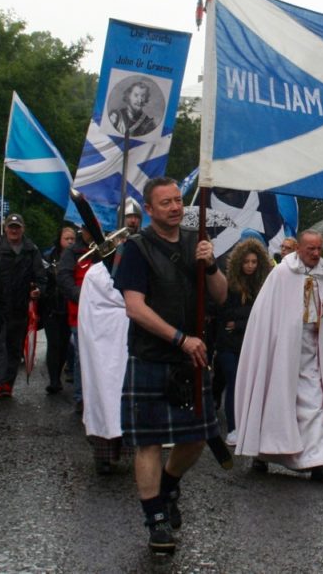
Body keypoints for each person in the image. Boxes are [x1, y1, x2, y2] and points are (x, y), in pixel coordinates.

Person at [113, 176, 228, 554]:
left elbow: (221, 295)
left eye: (178, 200)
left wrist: (211, 266)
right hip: (151, 356)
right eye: (166, 202)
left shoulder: (198, 243)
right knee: (148, 442)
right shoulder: (136, 249)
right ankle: (156, 519)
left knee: (195, 437)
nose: (176, 207)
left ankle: (168, 484)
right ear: (149, 209)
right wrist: (180, 338)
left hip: (190, 359)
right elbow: (134, 307)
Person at [234, 229, 323, 482]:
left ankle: (317, 461)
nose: (316, 253)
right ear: (299, 249)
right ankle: (262, 453)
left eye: (319, 248)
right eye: (311, 249)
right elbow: (265, 314)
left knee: (315, 402)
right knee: (276, 399)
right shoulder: (282, 273)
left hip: (312, 348)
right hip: (282, 348)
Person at [77, 256, 132, 475]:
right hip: (100, 346)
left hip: (124, 341)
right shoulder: (95, 274)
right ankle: (103, 455)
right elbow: (88, 313)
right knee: (103, 397)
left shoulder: (131, 268)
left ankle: (121, 449)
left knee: (121, 397)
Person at [214, 238, 272, 445]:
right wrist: (245, 319)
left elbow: (262, 313)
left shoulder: (262, 284)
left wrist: (239, 322)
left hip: (250, 342)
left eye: (254, 262)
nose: (250, 265)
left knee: (249, 385)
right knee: (234, 383)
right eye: (246, 261)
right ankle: (233, 428)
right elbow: (224, 313)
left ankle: (246, 426)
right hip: (228, 344)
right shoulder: (229, 283)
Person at [0, 213, 46, 399]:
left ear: (23, 228)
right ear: (5, 228)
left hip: (21, 306)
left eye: (17, 227)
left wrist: (38, 290)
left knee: (14, 347)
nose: (14, 230)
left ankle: (7, 383)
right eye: (11, 227)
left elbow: (41, 277)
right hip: (0, 305)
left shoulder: (31, 250)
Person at [58, 225, 94, 414]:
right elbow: (64, 277)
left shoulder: (106, 248)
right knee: (82, 355)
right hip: (79, 312)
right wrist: (81, 295)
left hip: (103, 313)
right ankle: (82, 397)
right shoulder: (72, 252)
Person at [44, 224, 77, 394]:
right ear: (60, 240)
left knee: (65, 344)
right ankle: (54, 380)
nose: (70, 242)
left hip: (69, 306)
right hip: (51, 306)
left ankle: (59, 374)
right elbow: (42, 278)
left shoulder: (79, 256)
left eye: (72, 239)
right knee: (54, 343)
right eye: (67, 239)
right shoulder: (49, 257)